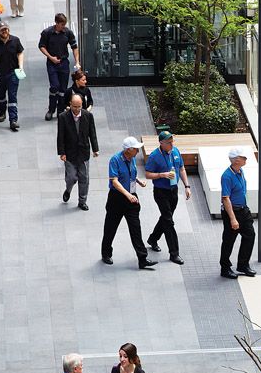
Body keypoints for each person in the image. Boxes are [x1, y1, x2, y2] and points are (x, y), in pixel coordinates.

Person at [101, 137, 156, 269]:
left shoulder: (132, 159)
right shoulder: (115, 160)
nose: (138, 150)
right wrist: (127, 195)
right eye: (136, 148)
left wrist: (138, 181)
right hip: (117, 198)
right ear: (128, 150)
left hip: (131, 198)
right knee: (110, 228)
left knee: (135, 228)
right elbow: (114, 180)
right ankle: (106, 253)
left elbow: (131, 174)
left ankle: (142, 258)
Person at [144, 131, 191, 264]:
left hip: (173, 190)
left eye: (172, 142)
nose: (172, 144)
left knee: (166, 217)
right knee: (169, 222)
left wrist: (187, 186)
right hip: (161, 192)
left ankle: (153, 239)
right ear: (161, 143)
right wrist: (162, 175)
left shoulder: (176, 151)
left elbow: (181, 169)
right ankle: (174, 253)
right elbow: (147, 174)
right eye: (169, 142)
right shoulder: (154, 156)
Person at [57, 93, 100, 211]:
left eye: (79, 107)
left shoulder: (88, 116)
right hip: (69, 153)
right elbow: (60, 136)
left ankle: (82, 201)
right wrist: (62, 152)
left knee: (84, 178)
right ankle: (68, 189)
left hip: (83, 152)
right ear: (70, 104)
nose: (76, 109)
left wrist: (95, 149)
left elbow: (92, 133)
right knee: (71, 177)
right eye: (74, 106)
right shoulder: (63, 117)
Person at [219, 147, 256, 279]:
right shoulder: (227, 176)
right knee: (229, 240)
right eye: (243, 157)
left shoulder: (240, 171)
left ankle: (243, 264)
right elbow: (226, 198)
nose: (245, 159)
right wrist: (233, 219)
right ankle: (225, 268)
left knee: (250, 235)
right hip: (232, 211)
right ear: (235, 160)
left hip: (243, 209)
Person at [0, 20, 25, 131]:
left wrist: (21, 65)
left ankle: (13, 120)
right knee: (1, 95)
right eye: (2, 30)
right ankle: (2, 112)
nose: (5, 31)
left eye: (6, 29)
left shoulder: (15, 40)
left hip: (13, 73)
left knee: (12, 96)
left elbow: (20, 52)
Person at [38, 13, 79, 120]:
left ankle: (60, 110)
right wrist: (51, 57)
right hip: (52, 63)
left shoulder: (67, 32)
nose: (63, 26)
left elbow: (74, 46)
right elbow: (41, 46)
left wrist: (77, 61)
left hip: (63, 62)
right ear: (56, 23)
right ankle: (51, 109)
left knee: (63, 89)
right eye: (61, 24)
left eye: (64, 24)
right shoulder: (47, 33)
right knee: (54, 86)